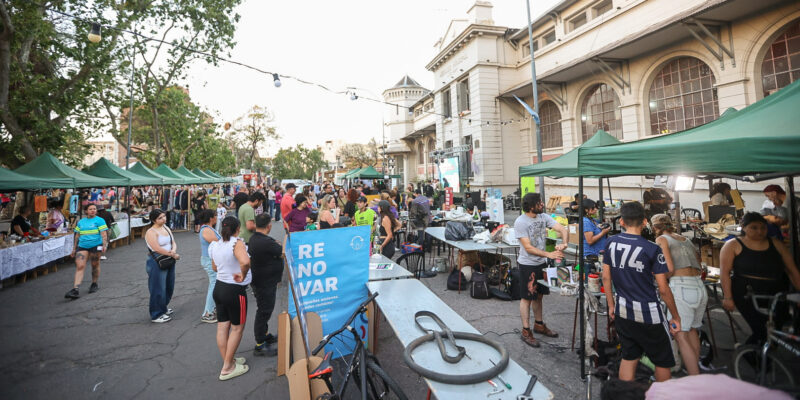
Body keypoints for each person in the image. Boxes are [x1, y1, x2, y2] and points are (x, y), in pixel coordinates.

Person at [601, 201, 680, 383]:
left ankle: (624, 395)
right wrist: (675, 316)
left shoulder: (611, 242)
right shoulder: (652, 248)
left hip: (622, 310)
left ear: (621, 221)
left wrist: (611, 305)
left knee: (629, 356)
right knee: (662, 361)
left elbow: (606, 278)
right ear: (645, 222)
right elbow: (663, 289)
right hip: (649, 314)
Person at [720, 212, 800, 345]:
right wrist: (728, 297)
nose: (760, 231)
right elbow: (724, 273)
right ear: (744, 228)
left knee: (776, 330)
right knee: (761, 330)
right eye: (754, 227)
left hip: (776, 292)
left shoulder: (776, 244)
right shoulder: (732, 245)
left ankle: (763, 358)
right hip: (747, 293)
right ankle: (748, 355)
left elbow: (792, 270)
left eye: (763, 227)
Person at [651, 214, 707, 375]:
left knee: (680, 334)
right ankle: (694, 368)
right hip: (699, 286)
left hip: (681, 287)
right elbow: (699, 263)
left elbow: (668, 269)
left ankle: (694, 379)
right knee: (692, 331)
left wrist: (657, 276)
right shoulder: (685, 239)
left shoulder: (661, 239)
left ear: (655, 227)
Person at [514, 193, 568, 347]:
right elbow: (528, 247)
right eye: (539, 203)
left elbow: (562, 229)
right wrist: (549, 254)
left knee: (539, 296)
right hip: (527, 265)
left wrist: (564, 243)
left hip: (541, 264)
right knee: (527, 298)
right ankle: (526, 330)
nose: (542, 204)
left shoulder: (543, 217)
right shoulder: (520, 222)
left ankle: (539, 325)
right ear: (531, 206)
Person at [208, 216, 251, 380]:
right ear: (237, 228)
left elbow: (214, 267)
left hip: (219, 288)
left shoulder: (216, 244)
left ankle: (229, 360)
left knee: (222, 327)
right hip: (233, 290)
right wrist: (242, 274)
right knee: (237, 328)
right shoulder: (236, 242)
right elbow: (245, 262)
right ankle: (227, 367)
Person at [248, 214, 283, 356]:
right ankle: (260, 343)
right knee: (264, 311)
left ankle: (264, 334)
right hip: (264, 282)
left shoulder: (256, 238)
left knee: (265, 309)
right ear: (269, 226)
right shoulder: (265, 242)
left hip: (262, 280)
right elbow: (281, 250)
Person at [64, 204, 109, 299]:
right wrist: (74, 248)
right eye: (90, 209)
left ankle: (94, 283)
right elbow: (77, 236)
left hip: (96, 246)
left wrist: (104, 245)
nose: (93, 210)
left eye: (94, 209)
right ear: (86, 211)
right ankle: (75, 289)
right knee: (80, 266)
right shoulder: (81, 222)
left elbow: (104, 234)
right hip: (82, 246)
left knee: (95, 265)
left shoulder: (100, 220)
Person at [143, 209, 179, 322]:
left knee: (169, 285)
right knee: (158, 287)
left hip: (169, 259)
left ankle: (163, 307)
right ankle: (156, 313)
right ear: (154, 220)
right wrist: (172, 254)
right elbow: (156, 248)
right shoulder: (151, 232)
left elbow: (173, 242)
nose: (163, 219)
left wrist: (173, 251)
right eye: (160, 218)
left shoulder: (166, 227)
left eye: (164, 216)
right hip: (157, 261)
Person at [198, 209, 221, 323]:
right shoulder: (206, 229)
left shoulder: (208, 228)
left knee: (216, 284)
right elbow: (217, 242)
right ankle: (208, 312)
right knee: (214, 284)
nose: (217, 217)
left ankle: (212, 310)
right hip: (210, 261)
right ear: (211, 218)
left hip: (211, 260)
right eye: (215, 215)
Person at [583, 199, 611, 265]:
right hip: (592, 255)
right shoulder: (586, 222)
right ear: (586, 210)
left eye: (596, 207)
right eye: (593, 208)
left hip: (598, 253)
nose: (595, 209)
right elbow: (590, 241)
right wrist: (603, 232)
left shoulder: (593, 220)